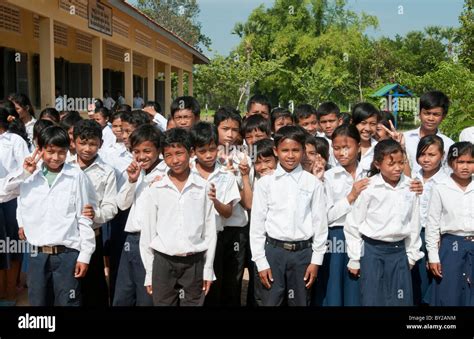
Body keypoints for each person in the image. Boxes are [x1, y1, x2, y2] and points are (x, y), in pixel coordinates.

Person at [4, 126, 96, 306]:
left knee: (68, 302)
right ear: (40, 149)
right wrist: (24, 173)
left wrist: (85, 255)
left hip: (68, 254)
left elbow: (84, 218)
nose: (55, 157)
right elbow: (3, 193)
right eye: (50, 151)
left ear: (68, 150)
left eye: (61, 152)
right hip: (37, 255)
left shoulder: (76, 176)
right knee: (38, 302)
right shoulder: (29, 177)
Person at [250, 125, 328, 306]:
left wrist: (316, 261)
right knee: (271, 301)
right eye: (285, 150)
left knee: (300, 301)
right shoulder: (265, 184)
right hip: (273, 252)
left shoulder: (313, 183)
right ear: (276, 151)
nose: (290, 155)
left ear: (303, 152)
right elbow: (257, 227)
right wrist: (261, 262)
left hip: (303, 254)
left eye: (295, 150)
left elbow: (320, 225)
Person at [139, 128, 217, 306]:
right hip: (163, 262)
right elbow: (148, 234)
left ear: (190, 153)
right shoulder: (155, 189)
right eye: (168, 155)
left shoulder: (203, 187)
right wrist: (149, 273)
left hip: (194, 262)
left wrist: (207, 269)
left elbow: (210, 231)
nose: (174, 160)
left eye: (179, 153)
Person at [345, 139, 423, 306]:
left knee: (400, 300)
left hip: (399, 252)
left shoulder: (411, 187)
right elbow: (353, 224)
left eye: (401, 163)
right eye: (391, 163)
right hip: (372, 252)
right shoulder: (368, 188)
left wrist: (411, 256)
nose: (398, 168)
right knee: (372, 299)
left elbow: (414, 223)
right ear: (378, 164)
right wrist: (354, 258)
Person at [313, 124, 367, 306]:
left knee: (357, 289)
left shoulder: (369, 174)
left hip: (364, 237)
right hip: (336, 237)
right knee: (333, 288)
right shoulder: (328, 177)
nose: (342, 153)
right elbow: (326, 216)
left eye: (347, 147)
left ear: (359, 146)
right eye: (337, 148)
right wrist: (350, 197)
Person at [189, 122, 241, 306]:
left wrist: (215, 201)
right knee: (190, 288)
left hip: (214, 240)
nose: (209, 155)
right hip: (188, 239)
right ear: (193, 151)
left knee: (211, 287)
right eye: (202, 151)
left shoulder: (225, 175)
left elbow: (227, 212)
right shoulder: (185, 172)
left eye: (212, 149)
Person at [113, 124, 163, 306]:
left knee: (146, 297)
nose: (142, 156)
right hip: (131, 241)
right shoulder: (136, 171)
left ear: (158, 149)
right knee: (123, 295)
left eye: (147, 151)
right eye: (136, 151)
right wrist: (131, 181)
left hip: (153, 242)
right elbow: (122, 203)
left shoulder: (167, 173)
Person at [72, 120, 118, 306]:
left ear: (101, 143)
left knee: (93, 288)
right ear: (73, 141)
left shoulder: (107, 171)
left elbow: (111, 207)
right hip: (66, 238)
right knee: (69, 287)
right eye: (83, 143)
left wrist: (96, 214)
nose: (87, 148)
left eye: (93, 144)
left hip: (93, 236)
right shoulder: (64, 166)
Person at [426, 142, 474, 306]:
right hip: (450, 247)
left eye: (470, 162)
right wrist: (433, 256)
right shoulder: (441, 188)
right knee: (449, 295)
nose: (465, 167)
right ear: (451, 162)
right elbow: (432, 224)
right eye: (460, 162)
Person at [411, 135, 448, 305]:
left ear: (442, 155)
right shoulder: (411, 176)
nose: (426, 159)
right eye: (422, 154)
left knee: (432, 283)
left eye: (431, 155)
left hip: (435, 236)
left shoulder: (447, 182)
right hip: (412, 235)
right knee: (413, 282)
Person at [0, 108, 30, 306]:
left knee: (11, 247)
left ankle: (10, 291)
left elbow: (26, 170)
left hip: (10, 199)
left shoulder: (14, 141)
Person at [403, 91, 454, 173]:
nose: (431, 118)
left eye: (436, 114)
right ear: (419, 113)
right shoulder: (404, 138)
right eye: (427, 113)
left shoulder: (448, 144)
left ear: (443, 116)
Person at [351, 102, 380, 172]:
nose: (368, 128)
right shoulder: (341, 146)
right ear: (353, 123)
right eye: (363, 123)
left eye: (372, 124)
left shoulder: (379, 148)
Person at [316, 102, 342, 167]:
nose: (328, 126)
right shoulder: (317, 142)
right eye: (323, 122)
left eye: (331, 121)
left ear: (340, 121)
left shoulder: (348, 139)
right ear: (319, 123)